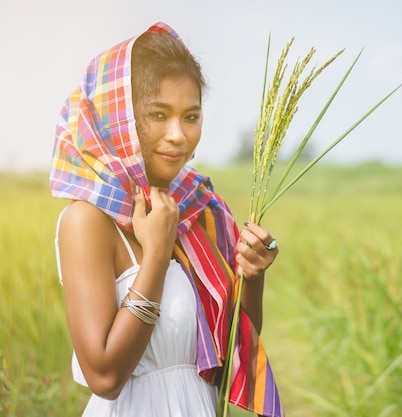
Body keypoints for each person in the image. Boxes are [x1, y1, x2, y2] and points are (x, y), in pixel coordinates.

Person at [50, 22, 284, 417]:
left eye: (190, 117)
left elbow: (232, 352)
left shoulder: (198, 209)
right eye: (158, 114)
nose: (178, 135)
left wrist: (253, 276)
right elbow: (104, 377)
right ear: (117, 119)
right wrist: (157, 256)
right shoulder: (88, 221)